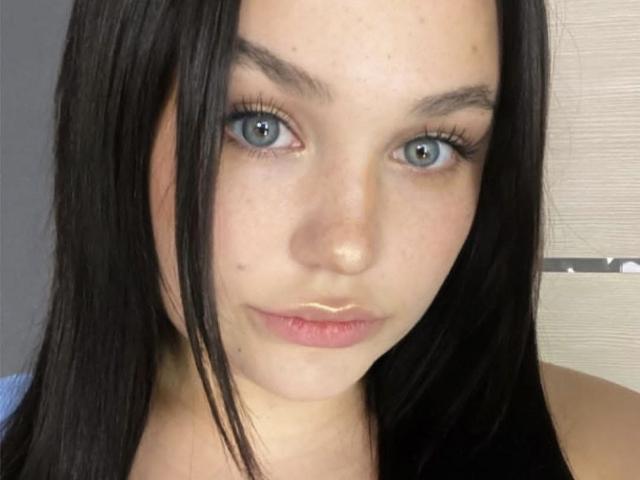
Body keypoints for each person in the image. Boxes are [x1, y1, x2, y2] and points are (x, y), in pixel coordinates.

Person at [1, 1, 639, 479]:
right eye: (260, 128)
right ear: (121, 117)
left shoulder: (613, 450)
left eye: (428, 148)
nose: (348, 248)